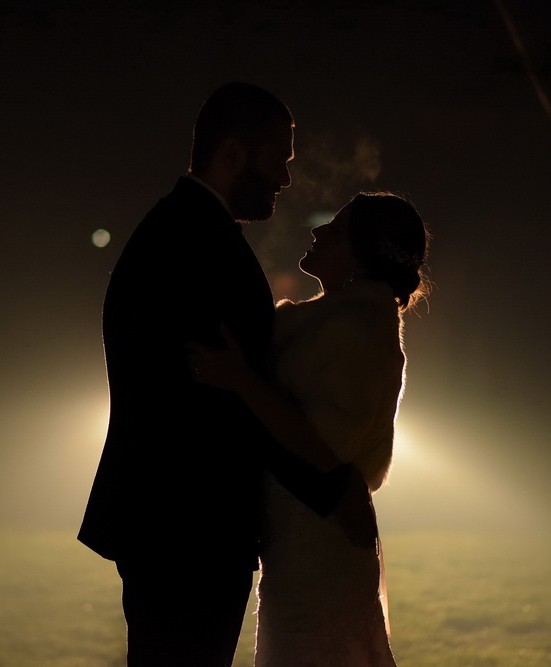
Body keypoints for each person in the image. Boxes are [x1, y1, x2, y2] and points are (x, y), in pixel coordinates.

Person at [77, 82, 350, 666]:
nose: (284, 178)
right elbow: (231, 398)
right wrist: (333, 489)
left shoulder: (183, 229)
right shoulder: (197, 246)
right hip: (188, 523)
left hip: (170, 517)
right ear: (232, 154)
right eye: (277, 160)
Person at [187, 192, 429, 665]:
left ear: (363, 255)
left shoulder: (355, 329)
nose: (317, 231)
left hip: (319, 544)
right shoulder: (331, 321)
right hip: (303, 535)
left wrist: (239, 380)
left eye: (335, 231)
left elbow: (323, 449)